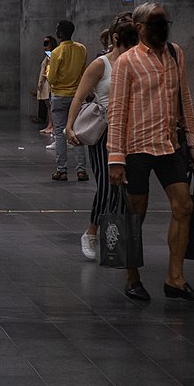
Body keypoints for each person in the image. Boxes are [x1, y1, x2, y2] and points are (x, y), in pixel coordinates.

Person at [107, 3, 194, 303]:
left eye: (165, 22)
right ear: (140, 27)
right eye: (155, 23)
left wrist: (192, 141)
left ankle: (175, 279)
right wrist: (115, 158)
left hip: (169, 144)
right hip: (136, 147)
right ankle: (132, 277)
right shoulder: (127, 62)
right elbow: (117, 111)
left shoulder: (175, 53)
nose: (162, 29)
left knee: (184, 206)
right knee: (136, 214)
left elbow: (185, 98)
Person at [67, 14, 137, 261]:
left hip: (130, 130)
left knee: (126, 186)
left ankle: (116, 237)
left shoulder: (135, 62)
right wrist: (69, 127)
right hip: (104, 129)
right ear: (116, 39)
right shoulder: (101, 64)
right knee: (107, 185)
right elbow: (79, 96)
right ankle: (91, 232)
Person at [47, 20, 89, 182]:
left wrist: (48, 70)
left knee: (60, 133)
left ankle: (62, 170)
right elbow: (84, 72)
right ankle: (81, 170)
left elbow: (52, 79)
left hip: (59, 95)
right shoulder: (81, 49)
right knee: (76, 132)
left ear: (60, 33)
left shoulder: (56, 52)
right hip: (76, 96)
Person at [33, 36, 55, 128]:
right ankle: (50, 125)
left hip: (47, 81)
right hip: (45, 81)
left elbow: (48, 68)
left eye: (47, 43)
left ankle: (51, 125)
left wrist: (41, 81)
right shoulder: (48, 55)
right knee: (48, 105)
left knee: (50, 105)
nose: (45, 46)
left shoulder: (51, 55)